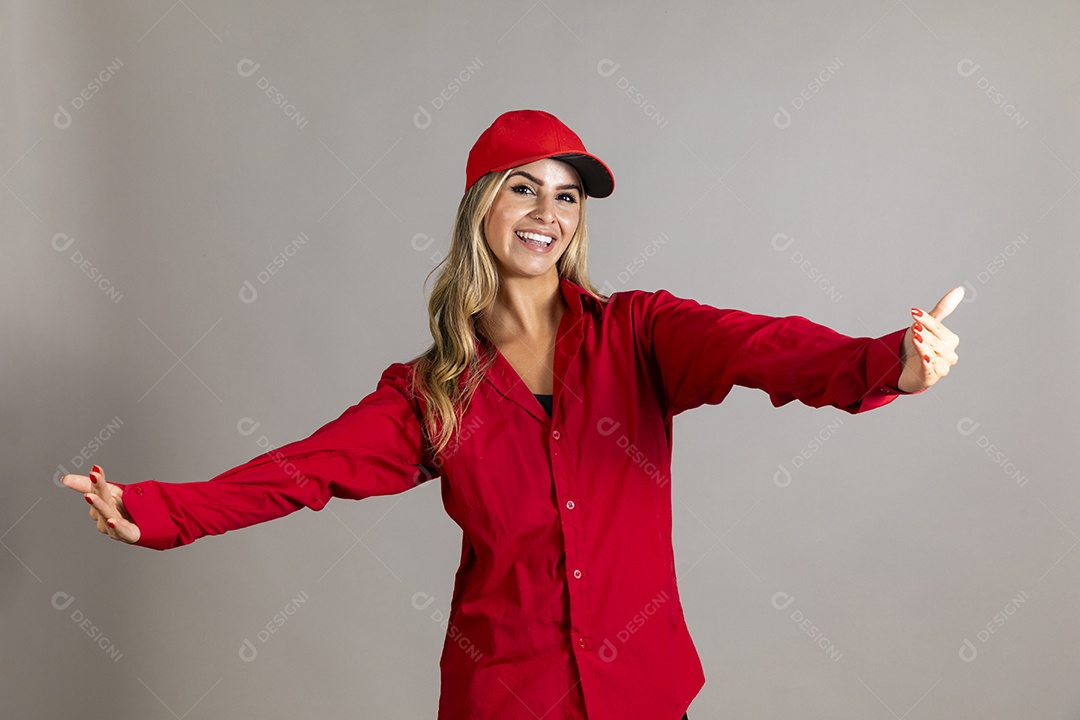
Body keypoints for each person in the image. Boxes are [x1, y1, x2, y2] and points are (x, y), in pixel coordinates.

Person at [62, 109, 962, 720]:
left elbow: (765, 346)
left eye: (567, 194)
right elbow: (307, 471)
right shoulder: (430, 393)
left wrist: (890, 362)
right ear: (479, 204)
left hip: (647, 696)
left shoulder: (641, 334)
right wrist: (160, 511)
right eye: (524, 187)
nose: (549, 212)